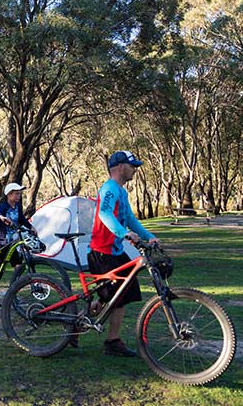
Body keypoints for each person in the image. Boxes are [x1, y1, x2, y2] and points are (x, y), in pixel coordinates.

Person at [89, 151, 161, 357]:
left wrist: (149, 236)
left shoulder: (121, 191)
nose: (135, 170)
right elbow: (104, 213)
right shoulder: (110, 188)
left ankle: (108, 333)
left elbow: (129, 217)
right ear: (121, 167)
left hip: (115, 252)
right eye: (132, 166)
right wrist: (124, 233)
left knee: (124, 292)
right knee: (116, 296)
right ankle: (110, 340)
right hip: (102, 253)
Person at [0, 182, 37, 309]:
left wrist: (31, 227)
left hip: (13, 243)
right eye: (16, 193)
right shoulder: (4, 205)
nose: (19, 195)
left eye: (19, 193)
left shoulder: (18, 207)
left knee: (18, 267)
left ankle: (13, 294)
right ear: (9, 195)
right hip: (1, 241)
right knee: (0, 269)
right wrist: (3, 218)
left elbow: (21, 219)